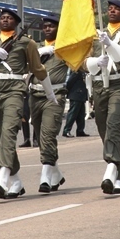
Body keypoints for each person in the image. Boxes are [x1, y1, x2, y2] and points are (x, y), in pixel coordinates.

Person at [0, 8, 57, 199]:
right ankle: (17, 181)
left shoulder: (26, 42)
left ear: (16, 22)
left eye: (9, 18)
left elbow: (38, 68)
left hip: (14, 90)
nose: (4, 19)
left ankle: (2, 179)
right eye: (2, 17)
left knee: (9, 132)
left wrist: (49, 92)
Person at [83, 0, 120, 195]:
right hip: (100, 86)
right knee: (104, 131)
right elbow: (82, 62)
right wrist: (94, 61)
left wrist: (111, 46)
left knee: (114, 126)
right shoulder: (95, 36)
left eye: (117, 8)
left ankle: (110, 170)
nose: (112, 10)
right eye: (110, 8)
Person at [29, 14, 68, 193]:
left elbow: (80, 63)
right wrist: (38, 54)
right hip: (35, 95)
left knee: (48, 135)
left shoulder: (65, 48)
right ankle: (57, 175)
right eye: (45, 26)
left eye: (51, 26)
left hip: (55, 96)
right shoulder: (34, 47)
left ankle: (45, 177)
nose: (47, 29)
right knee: (41, 138)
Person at [62, 68, 89, 138]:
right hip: (76, 94)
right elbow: (70, 81)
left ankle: (80, 130)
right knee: (73, 113)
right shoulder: (76, 69)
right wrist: (67, 90)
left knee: (81, 114)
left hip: (81, 94)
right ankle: (66, 130)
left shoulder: (81, 70)